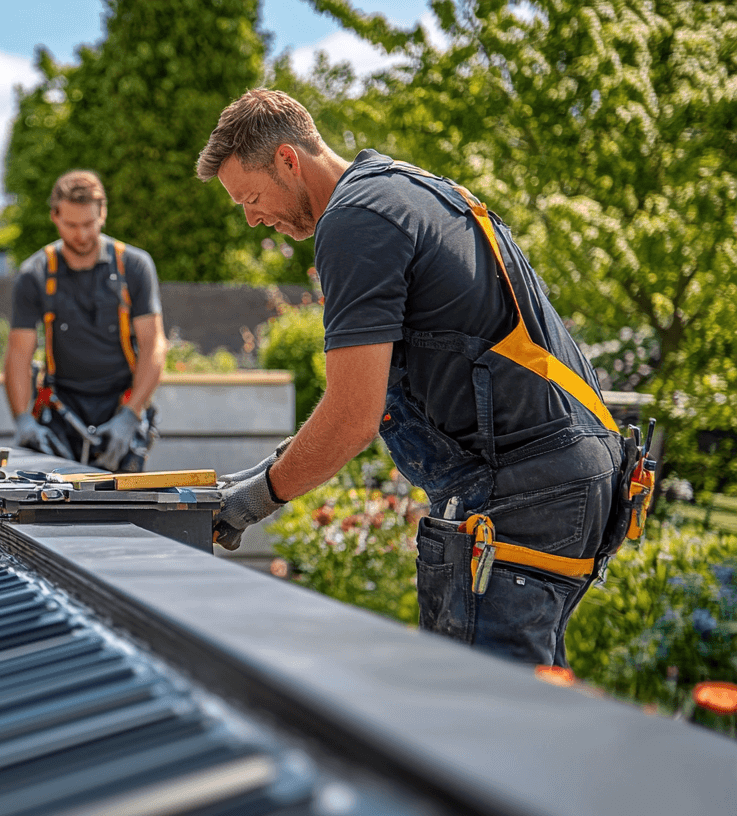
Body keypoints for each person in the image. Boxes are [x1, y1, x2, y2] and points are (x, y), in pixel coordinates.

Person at [198, 89, 639, 667]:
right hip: (574, 472)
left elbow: (351, 417)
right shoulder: (407, 190)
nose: (252, 218)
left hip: (521, 490)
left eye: (252, 198)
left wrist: (253, 500)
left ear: (288, 160)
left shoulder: (353, 220)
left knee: (479, 702)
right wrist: (260, 471)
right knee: (525, 701)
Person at [4, 170, 168, 471]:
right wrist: (23, 419)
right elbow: (18, 353)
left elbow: (153, 344)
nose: (80, 235)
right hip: (61, 407)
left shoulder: (133, 267)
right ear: (54, 217)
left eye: (88, 224)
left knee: (122, 495)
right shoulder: (35, 274)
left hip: (121, 403)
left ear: (102, 214)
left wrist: (131, 415)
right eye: (71, 225)